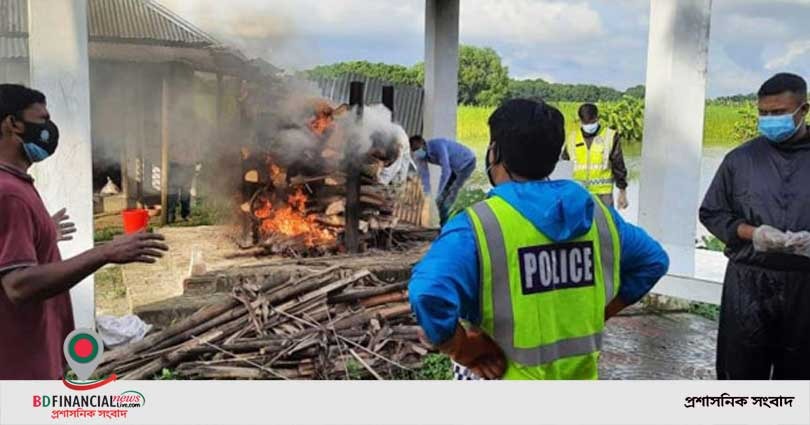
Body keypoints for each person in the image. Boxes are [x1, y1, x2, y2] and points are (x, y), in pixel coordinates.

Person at [409, 99, 668, 380]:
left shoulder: (477, 227)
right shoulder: (600, 218)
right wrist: (602, 312)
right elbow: (653, 261)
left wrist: (463, 349)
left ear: (495, 153)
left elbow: (428, 291)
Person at [0, 84, 169, 379]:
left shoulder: (16, 184)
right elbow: (18, 285)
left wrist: (42, 233)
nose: (50, 129)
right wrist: (105, 252)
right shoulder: (9, 193)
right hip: (18, 365)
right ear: (13, 124)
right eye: (42, 120)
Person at [700, 72, 810, 380]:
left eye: (779, 113)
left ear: (803, 110)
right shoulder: (741, 160)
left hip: (805, 286)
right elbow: (712, 212)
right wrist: (752, 233)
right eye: (764, 113)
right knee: (742, 373)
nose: (770, 119)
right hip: (749, 284)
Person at [562, 103, 629, 209]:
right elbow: (563, 167)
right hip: (577, 194)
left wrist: (622, 192)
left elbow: (618, 164)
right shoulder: (572, 138)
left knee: (604, 224)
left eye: (592, 122)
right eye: (585, 122)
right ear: (580, 121)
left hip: (603, 194)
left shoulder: (610, 136)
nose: (589, 125)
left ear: (598, 118)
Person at [409, 135, 476, 225]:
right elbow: (425, 176)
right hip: (453, 168)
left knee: (450, 197)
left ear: (424, 145)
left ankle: (450, 225)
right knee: (439, 202)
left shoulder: (439, 145)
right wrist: (427, 197)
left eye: (418, 150)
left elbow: (446, 171)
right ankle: (443, 224)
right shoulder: (421, 156)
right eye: (414, 151)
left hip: (467, 163)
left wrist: (439, 193)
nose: (417, 153)